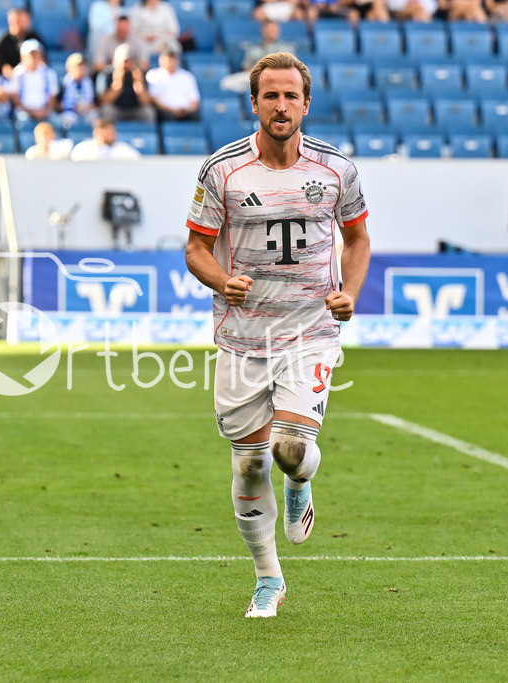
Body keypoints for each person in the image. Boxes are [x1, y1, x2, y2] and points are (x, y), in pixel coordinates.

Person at [183, 52, 371, 618]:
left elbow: (358, 240)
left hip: (310, 330)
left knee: (290, 449)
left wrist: (350, 294)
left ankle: (300, 485)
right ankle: (268, 577)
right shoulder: (222, 171)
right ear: (255, 103)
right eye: (271, 95)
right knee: (248, 464)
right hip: (243, 338)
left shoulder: (337, 170)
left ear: (306, 104)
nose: (281, 105)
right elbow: (195, 249)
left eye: (291, 96)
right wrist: (222, 279)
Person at [96, 43, 155, 123]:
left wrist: (138, 83)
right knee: (107, 111)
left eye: (130, 61)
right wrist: (118, 84)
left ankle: (147, 135)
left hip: (135, 109)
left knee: (148, 112)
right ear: (114, 61)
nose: (127, 64)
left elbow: (145, 101)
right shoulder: (105, 75)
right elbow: (104, 101)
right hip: (116, 109)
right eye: (125, 61)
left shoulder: (140, 74)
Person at [8, 39, 58, 125]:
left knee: (57, 122)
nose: (34, 57)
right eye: (31, 54)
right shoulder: (17, 73)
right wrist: (30, 112)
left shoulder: (49, 73)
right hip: (24, 112)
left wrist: (45, 111)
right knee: (23, 120)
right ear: (22, 57)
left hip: (45, 111)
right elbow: (15, 97)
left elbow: (52, 95)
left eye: (36, 54)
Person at [145, 46, 200, 122]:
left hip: (186, 112)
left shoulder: (187, 76)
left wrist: (186, 110)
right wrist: (171, 110)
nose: (171, 62)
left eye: (173, 59)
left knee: (195, 115)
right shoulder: (154, 75)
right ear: (161, 60)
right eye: (168, 59)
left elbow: (195, 100)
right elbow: (153, 98)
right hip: (166, 112)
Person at [0, 8, 43, 78]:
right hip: (7, 79)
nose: (24, 23)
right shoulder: (2, 40)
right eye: (19, 21)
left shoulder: (34, 37)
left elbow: (43, 59)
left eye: (25, 20)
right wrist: (4, 67)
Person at [58, 52, 98, 129]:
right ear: (69, 68)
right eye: (77, 67)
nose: (80, 69)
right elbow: (57, 103)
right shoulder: (63, 83)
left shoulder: (89, 82)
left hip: (86, 110)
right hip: (69, 111)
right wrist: (71, 106)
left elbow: (95, 102)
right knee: (68, 119)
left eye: (82, 67)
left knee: (95, 118)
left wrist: (86, 107)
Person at [69, 117, 141, 159]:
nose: (111, 134)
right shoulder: (83, 148)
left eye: (112, 131)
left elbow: (136, 162)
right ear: (97, 132)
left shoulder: (124, 149)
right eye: (106, 131)